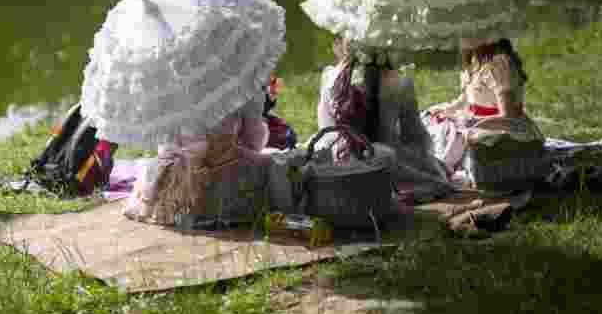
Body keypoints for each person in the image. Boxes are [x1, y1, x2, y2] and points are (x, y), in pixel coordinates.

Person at [306, 37, 452, 196]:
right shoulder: (400, 82)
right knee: (435, 175)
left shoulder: (331, 78)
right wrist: (426, 160)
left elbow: (326, 130)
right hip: (387, 163)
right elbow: (416, 136)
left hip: (341, 162)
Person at [124, 93, 272, 226]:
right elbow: (254, 143)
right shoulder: (243, 88)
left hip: (167, 173)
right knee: (272, 166)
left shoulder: (170, 86)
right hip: (213, 173)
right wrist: (263, 123)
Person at [424, 37, 544, 175]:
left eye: (468, 32)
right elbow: (466, 99)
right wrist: (446, 110)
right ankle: (435, 164)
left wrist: (473, 123)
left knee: (456, 134)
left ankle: (441, 169)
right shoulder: (474, 61)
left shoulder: (498, 64)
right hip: (476, 117)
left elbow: (509, 116)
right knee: (432, 118)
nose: (461, 37)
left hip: (503, 126)